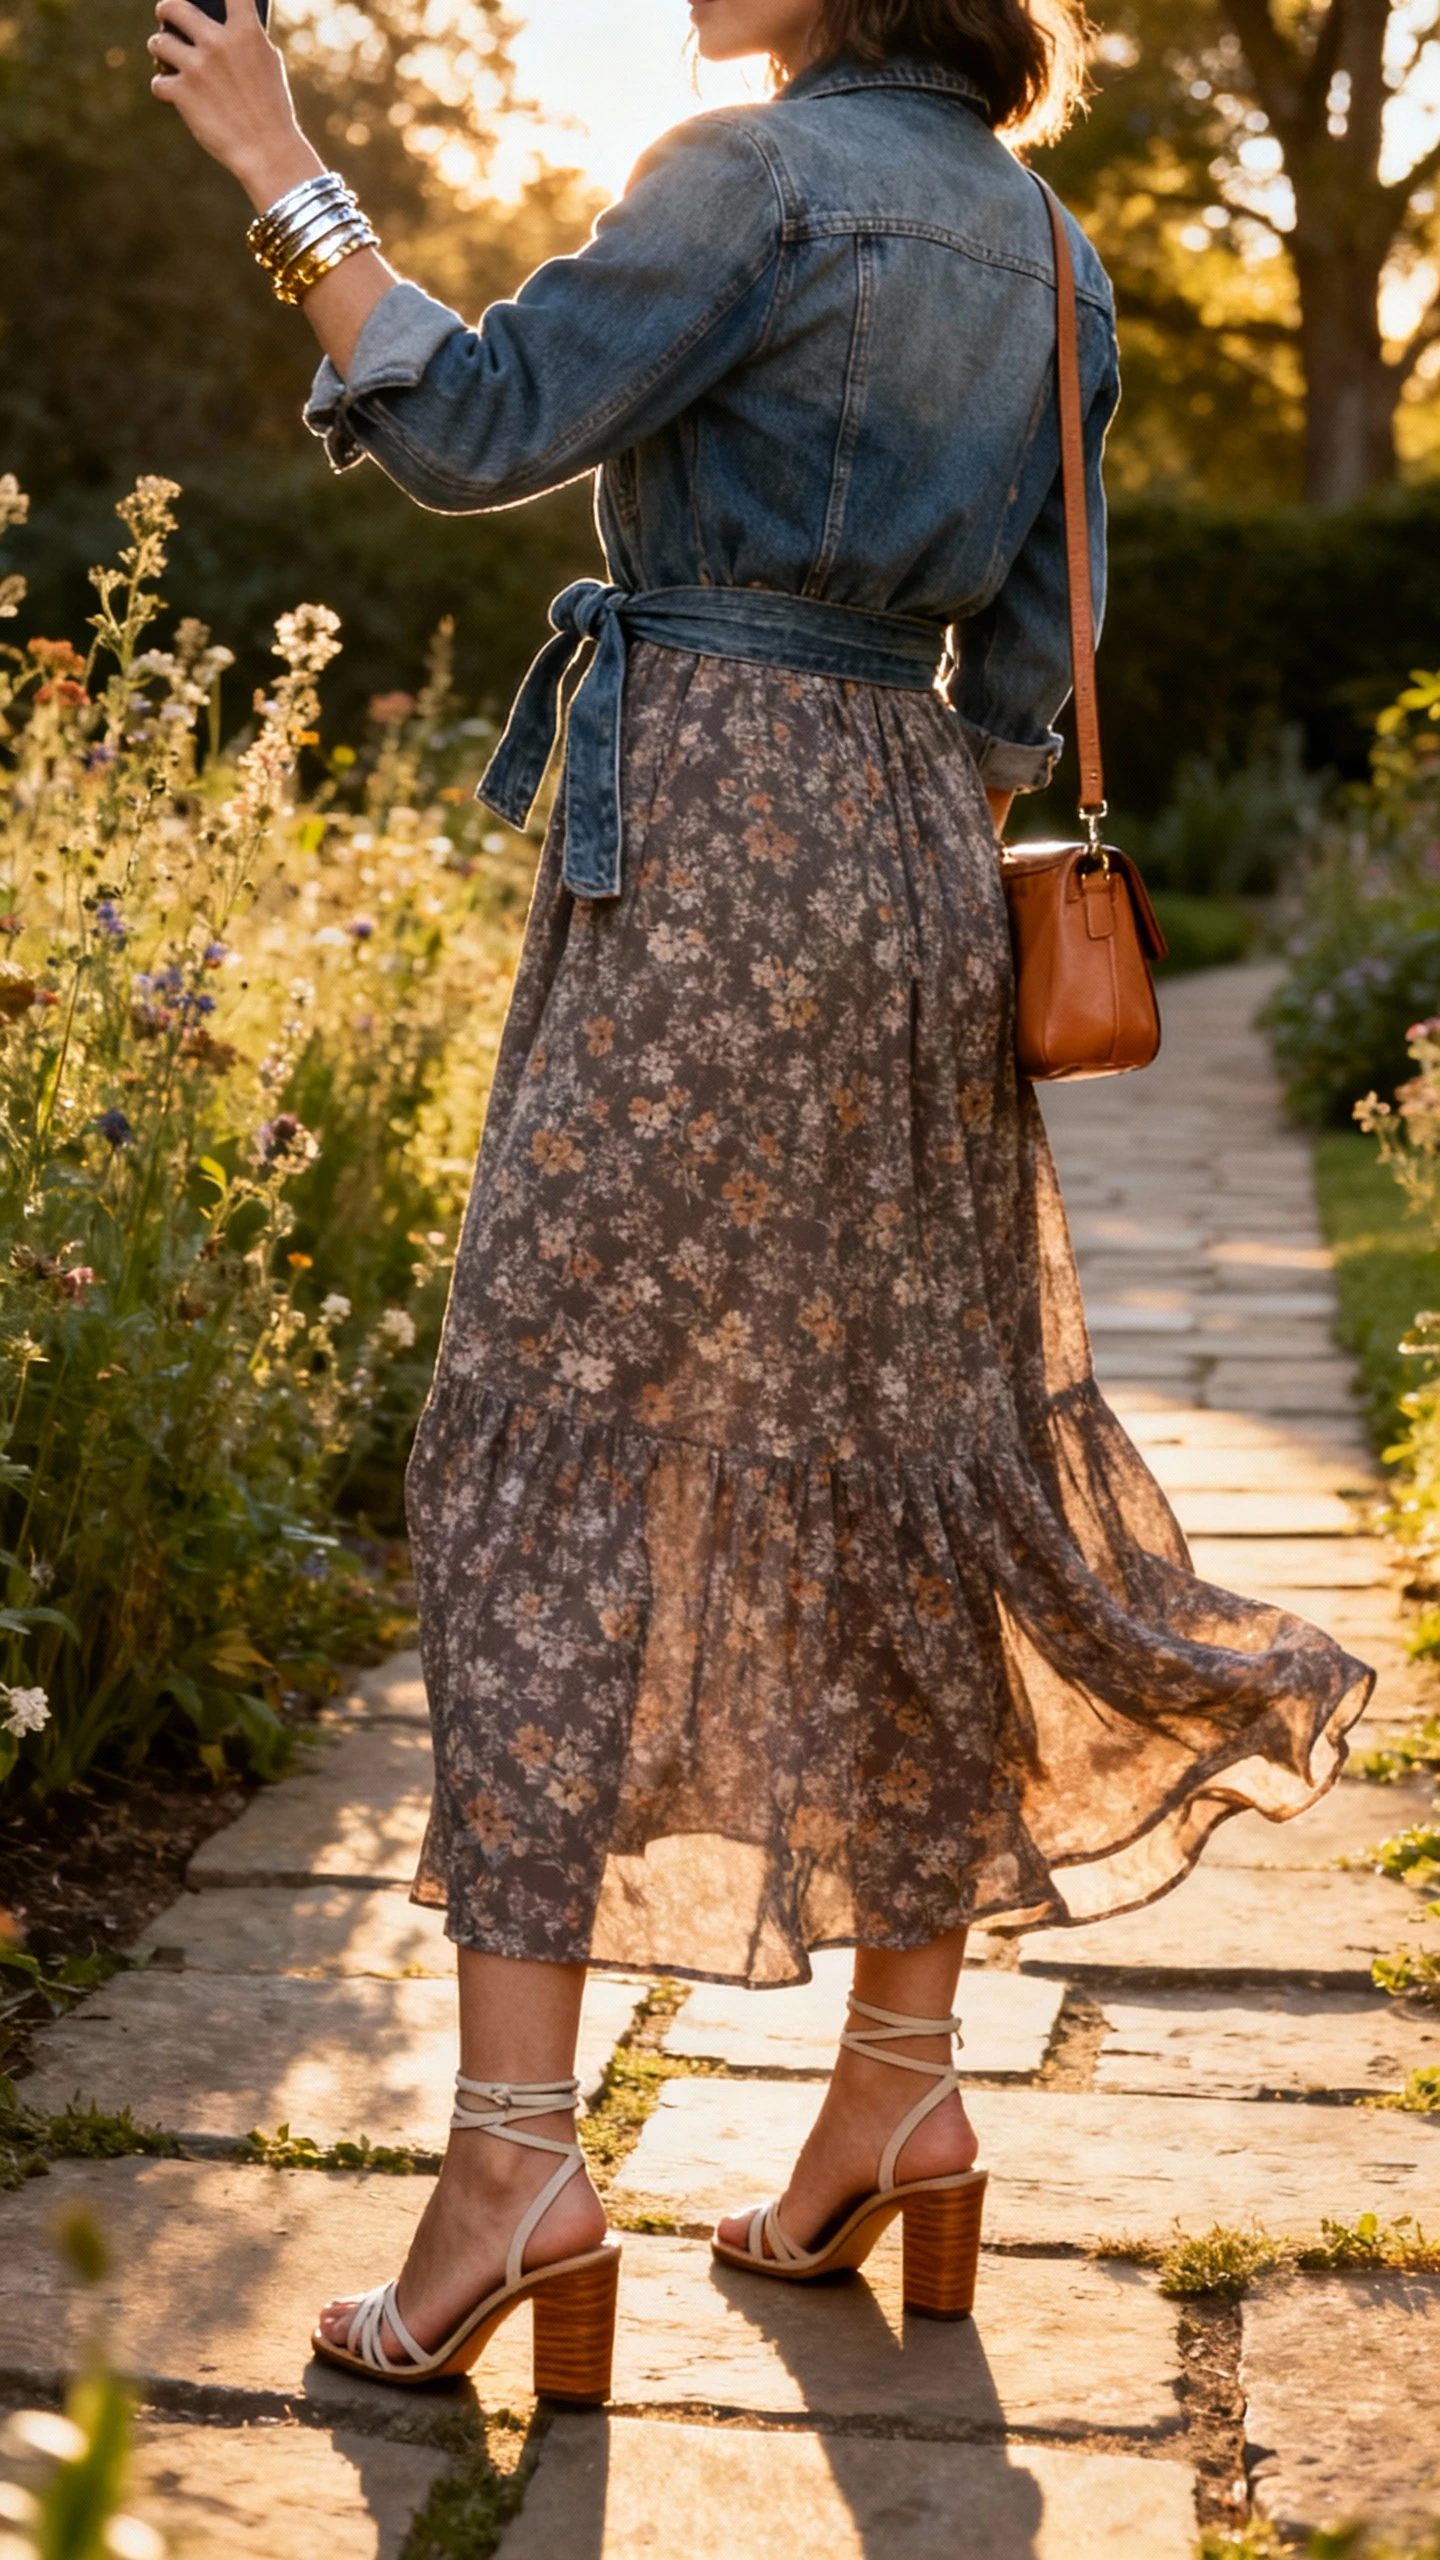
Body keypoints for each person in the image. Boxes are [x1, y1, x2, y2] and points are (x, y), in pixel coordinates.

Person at [150, 0, 1372, 2393]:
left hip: (696, 850)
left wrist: (287, 172)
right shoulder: (1055, 253)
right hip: (912, 856)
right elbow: (1034, 663)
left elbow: (479, 418)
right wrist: (881, 798)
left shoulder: (747, 174)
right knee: (916, 1455)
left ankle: (515, 2154)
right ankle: (896, 2103)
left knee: (543, 1452)